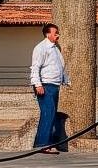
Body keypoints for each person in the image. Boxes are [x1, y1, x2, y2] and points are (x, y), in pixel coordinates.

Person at [30, 24, 66, 154]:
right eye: (55, 32)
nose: (58, 35)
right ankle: (43, 144)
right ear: (47, 34)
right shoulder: (41, 48)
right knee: (48, 114)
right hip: (45, 85)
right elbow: (35, 67)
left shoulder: (56, 49)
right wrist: (37, 84)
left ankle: (44, 142)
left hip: (54, 85)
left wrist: (65, 80)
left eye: (58, 32)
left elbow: (59, 66)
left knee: (51, 115)